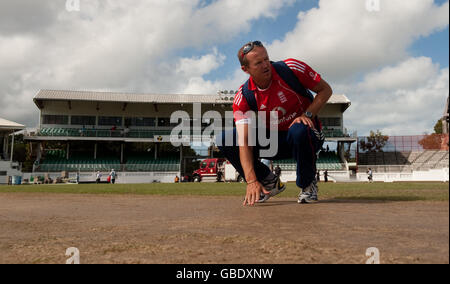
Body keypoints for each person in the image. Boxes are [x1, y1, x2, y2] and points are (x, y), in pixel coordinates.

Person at [218, 40, 332, 206]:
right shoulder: (243, 97)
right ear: (246, 69)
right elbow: (244, 142)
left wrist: (307, 114)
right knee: (225, 139)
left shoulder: (291, 68)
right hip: (275, 141)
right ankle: (269, 182)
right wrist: (251, 181)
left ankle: (307, 185)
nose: (266, 65)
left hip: (306, 135)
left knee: (299, 129)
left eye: (266, 59)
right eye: (258, 63)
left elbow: (326, 90)